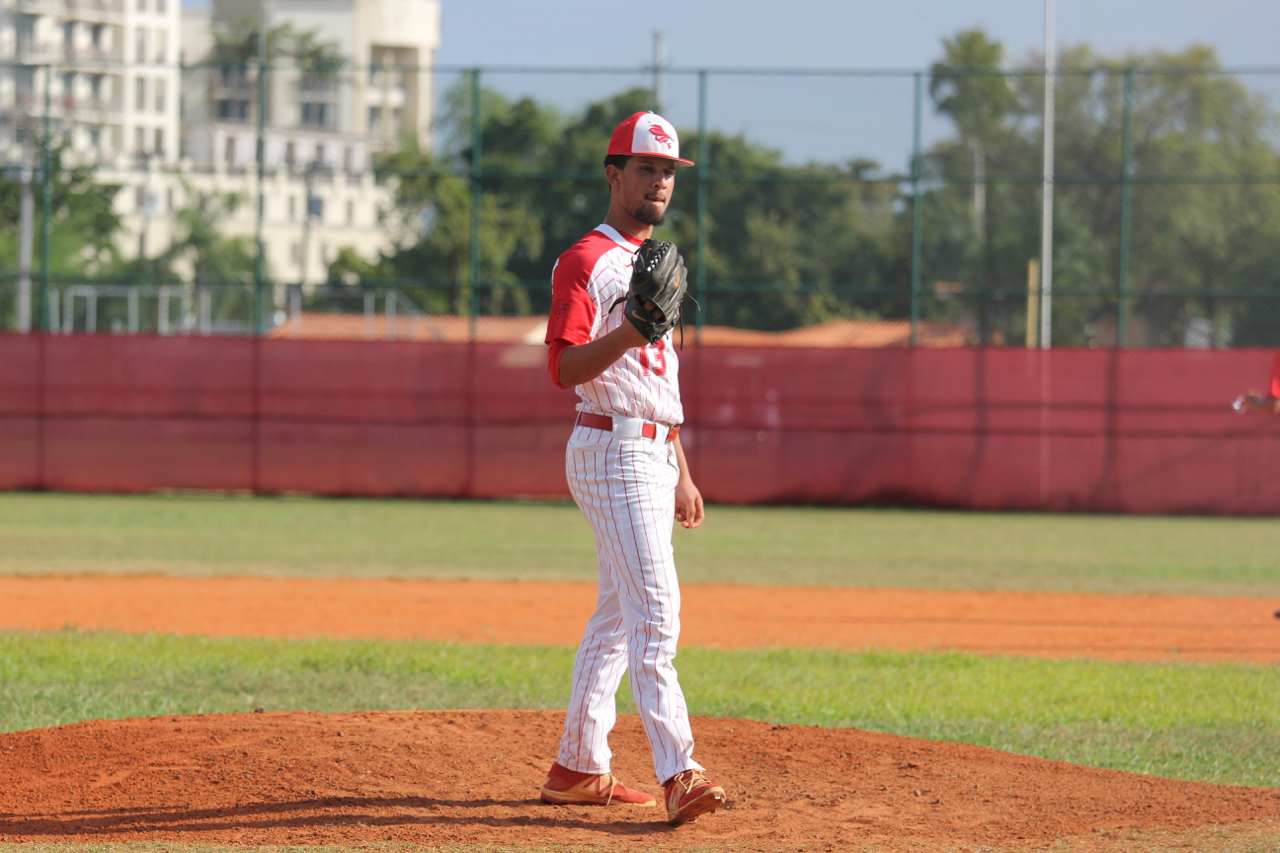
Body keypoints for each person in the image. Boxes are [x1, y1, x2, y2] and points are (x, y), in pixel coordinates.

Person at [537, 111, 727, 826]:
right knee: (657, 609)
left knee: (619, 615)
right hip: (608, 445)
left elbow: (659, 376)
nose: (659, 181)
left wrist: (680, 465)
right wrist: (627, 330)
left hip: (649, 448)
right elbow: (561, 367)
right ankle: (681, 771)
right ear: (614, 174)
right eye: (646, 167)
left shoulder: (657, 260)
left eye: (669, 171)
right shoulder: (586, 259)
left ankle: (579, 764)